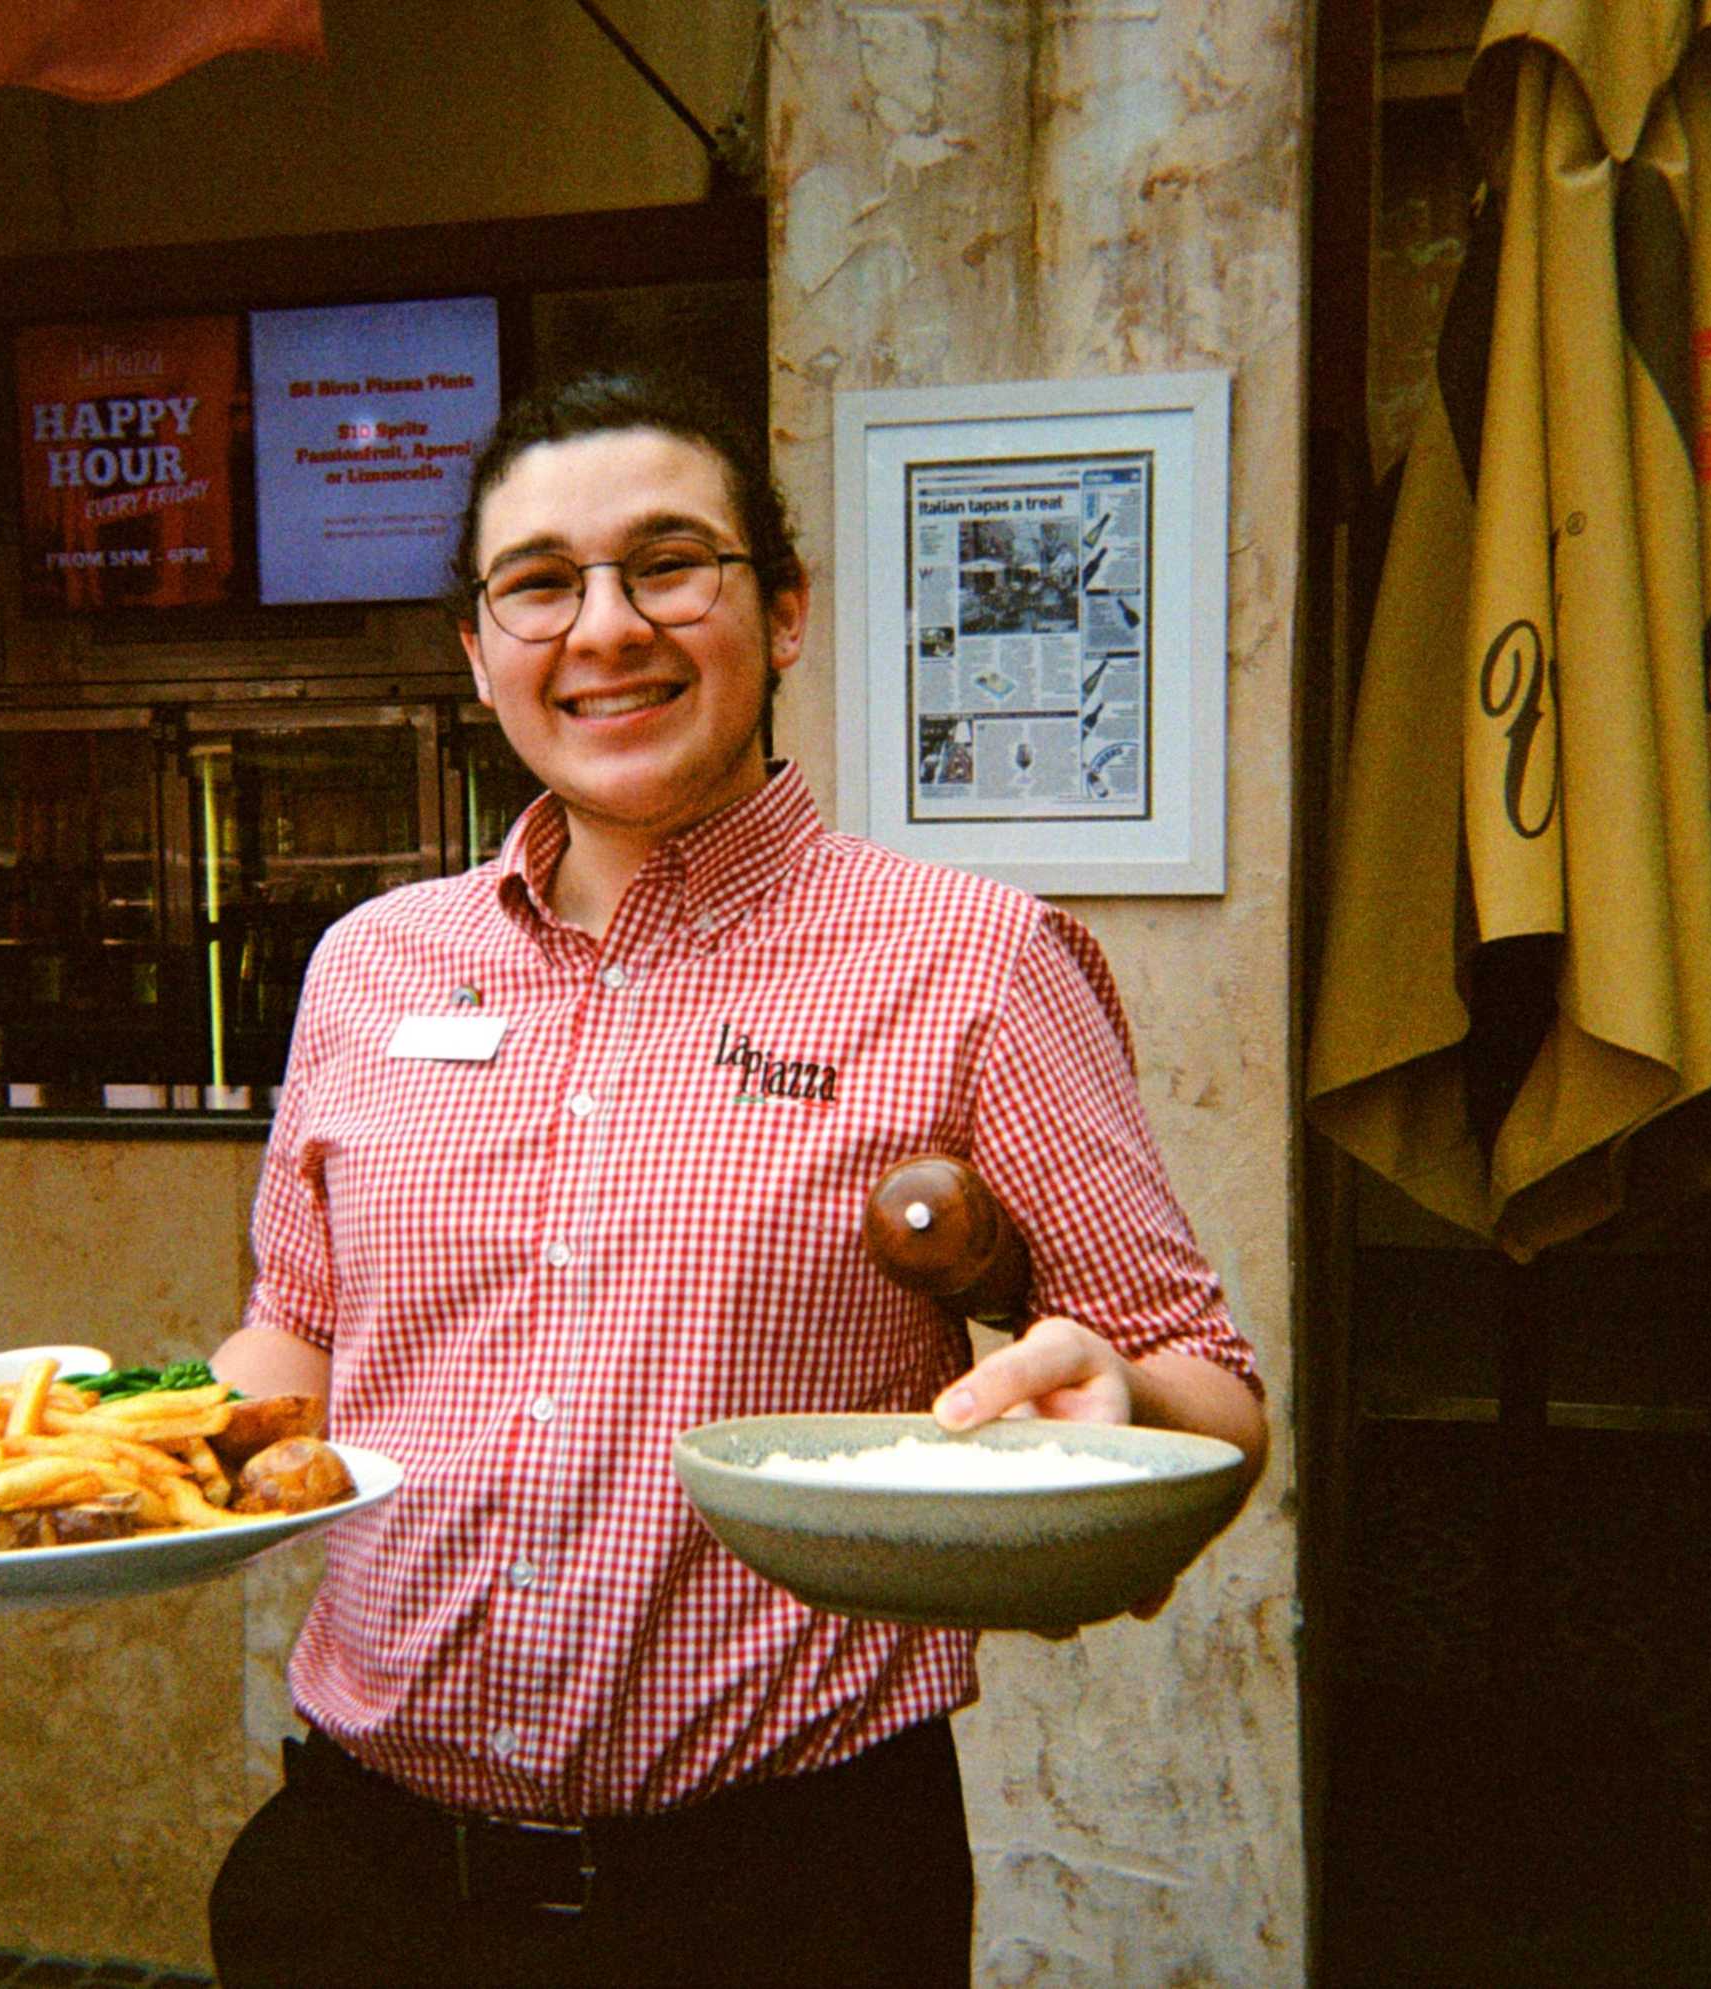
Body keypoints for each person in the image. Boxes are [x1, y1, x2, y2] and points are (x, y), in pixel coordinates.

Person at [204, 371, 1264, 1989]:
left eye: (669, 562)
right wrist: (108, 1463)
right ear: (477, 652)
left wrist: (1112, 1418)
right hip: (367, 1877)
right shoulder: (370, 963)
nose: (605, 624)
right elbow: (298, 1332)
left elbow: (1216, 1385)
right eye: (541, 582)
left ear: (781, 615)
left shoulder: (969, 960)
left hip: (779, 1898)